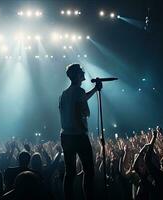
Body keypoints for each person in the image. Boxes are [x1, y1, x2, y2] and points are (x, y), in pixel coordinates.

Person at [59, 63, 102, 200]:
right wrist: (82, 129)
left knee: (70, 172)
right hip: (78, 135)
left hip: (66, 135)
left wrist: (95, 89)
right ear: (78, 75)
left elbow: (79, 100)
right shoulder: (79, 91)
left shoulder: (64, 94)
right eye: (81, 72)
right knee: (89, 170)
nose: (83, 73)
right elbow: (78, 107)